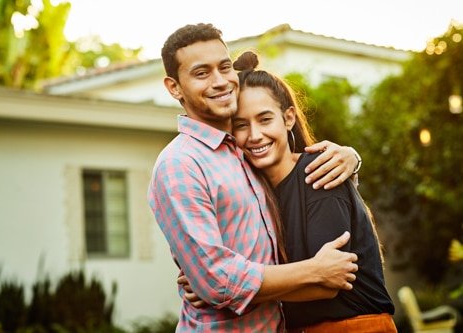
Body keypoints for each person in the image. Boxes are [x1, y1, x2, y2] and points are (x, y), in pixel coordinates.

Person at [148, 23, 361, 332]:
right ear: (174, 87)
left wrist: (352, 159)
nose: (219, 82)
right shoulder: (180, 164)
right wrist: (314, 271)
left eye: (224, 67)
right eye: (201, 73)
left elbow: (299, 202)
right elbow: (217, 281)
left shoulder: (245, 153)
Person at [230, 50, 396, 332]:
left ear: (289, 118)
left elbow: (326, 283)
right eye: (241, 125)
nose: (254, 135)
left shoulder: (317, 173)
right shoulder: (252, 192)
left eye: (265, 119)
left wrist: (225, 289)